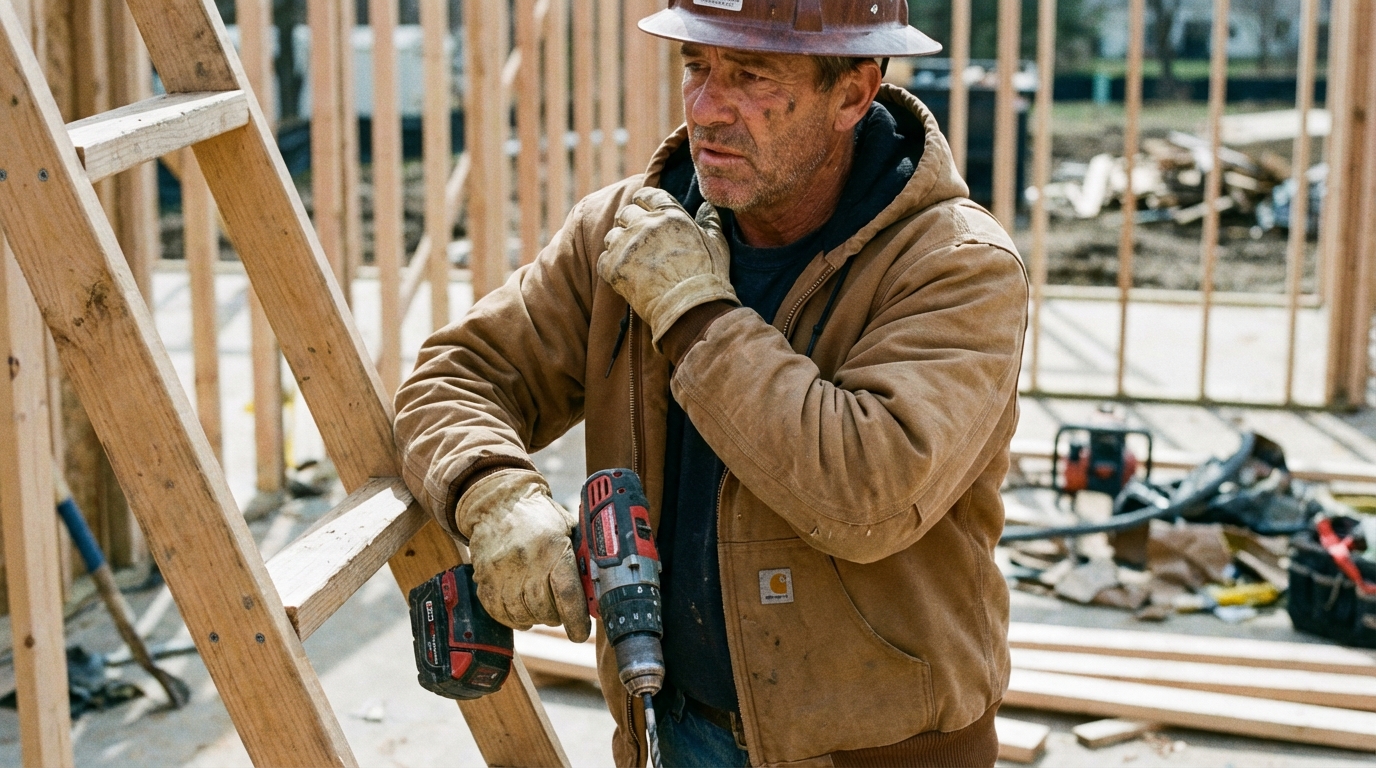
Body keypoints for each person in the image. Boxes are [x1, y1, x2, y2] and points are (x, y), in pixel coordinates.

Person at [393, 1, 1028, 765]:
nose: (706, 109)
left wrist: (693, 311)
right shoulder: (627, 232)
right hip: (669, 729)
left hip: (880, 751)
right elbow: (458, 375)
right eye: (697, 67)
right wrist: (492, 490)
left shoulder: (955, 266)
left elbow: (867, 497)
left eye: (752, 75)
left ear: (853, 94)